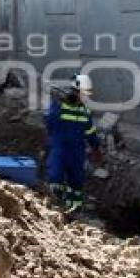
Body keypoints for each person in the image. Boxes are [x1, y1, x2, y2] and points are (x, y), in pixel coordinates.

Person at [45, 73, 100, 215]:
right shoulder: (59, 106)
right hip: (60, 149)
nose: (86, 96)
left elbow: (90, 132)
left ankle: (75, 212)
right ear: (75, 91)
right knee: (55, 178)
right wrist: (58, 102)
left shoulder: (85, 111)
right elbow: (49, 122)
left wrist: (96, 148)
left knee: (76, 182)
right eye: (84, 93)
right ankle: (53, 210)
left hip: (77, 152)